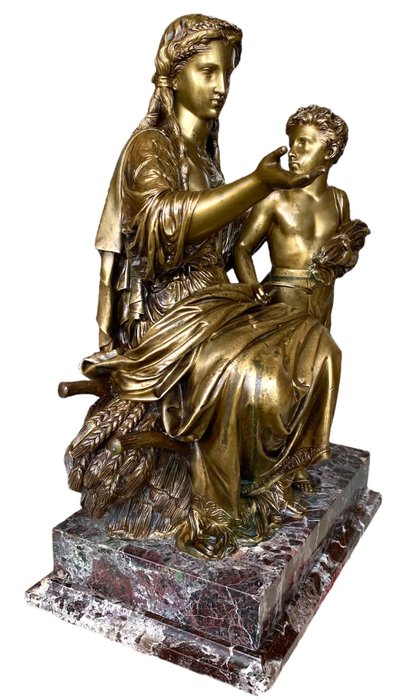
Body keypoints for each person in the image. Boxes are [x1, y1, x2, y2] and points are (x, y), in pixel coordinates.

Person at [65, 15, 342, 559]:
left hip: (217, 300)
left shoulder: (207, 160)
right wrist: (257, 184)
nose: (221, 86)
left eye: (227, 74)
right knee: (250, 375)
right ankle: (214, 507)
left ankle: (271, 477)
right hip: (170, 314)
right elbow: (165, 222)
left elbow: (231, 239)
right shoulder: (150, 147)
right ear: (175, 74)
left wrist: (304, 235)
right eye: (207, 71)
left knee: (316, 347)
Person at [234, 105, 369, 329]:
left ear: (330, 151)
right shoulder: (275, 197)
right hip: (281, 305)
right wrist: (252, 285)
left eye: (303, 143)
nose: (292, 152)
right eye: (292, 144)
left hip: (322, 305)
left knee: (322, 350)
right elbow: (242, 248)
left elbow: (346, 256)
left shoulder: (339, 199)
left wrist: (345, 257)